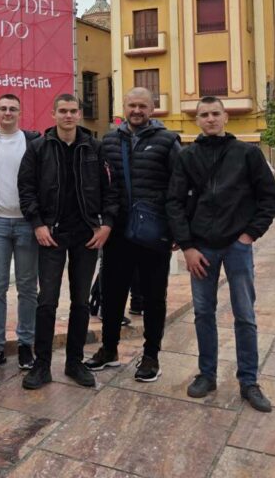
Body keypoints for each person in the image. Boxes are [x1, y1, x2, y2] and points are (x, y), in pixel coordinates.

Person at [166, 96, 275, 413]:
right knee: (204, 313)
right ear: (197, 120)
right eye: (204, 114)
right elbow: (174, 202)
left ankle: (249, 381)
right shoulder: (187, 157)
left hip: (236, 247)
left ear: (225, 117)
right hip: (201, 248)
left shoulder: (247, 153)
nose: (210, 119)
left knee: (244, 314)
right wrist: (187, 246)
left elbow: (270, 198)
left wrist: (249, 235)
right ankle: (207, 375)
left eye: (215, 113)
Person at [19, 93, 117, 390]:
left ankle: (75, 362)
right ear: (53, 114)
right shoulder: (38, 148)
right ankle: (42, 365)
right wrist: (37, 224)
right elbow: (26, 189)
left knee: (81, 302)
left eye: (73, 111)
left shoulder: (95, 148)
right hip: (51, 234)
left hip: (86, 234)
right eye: (63, 111)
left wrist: (106, 225)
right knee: (47, 301)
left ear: (79, 114)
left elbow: (111, 190)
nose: (68, 115)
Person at [85, 88, 181, 383]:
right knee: (112, 294)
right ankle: (109, 349)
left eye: (142, 106)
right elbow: (103, 185)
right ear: (123, 107)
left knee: (154, 297)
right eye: (132, 105)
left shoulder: (168, 141)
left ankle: (151, 356)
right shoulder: (109, 140)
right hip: (118, 232)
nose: (136, 110)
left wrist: (177, 229)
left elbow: (179, 186)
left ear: (152, 109)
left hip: (154, 232)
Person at [0, 94, 40, 372]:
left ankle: (26, 344)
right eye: (3, 108)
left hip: (27, 223)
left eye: (13, 108)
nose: (8, 112)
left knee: (27, 287)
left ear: (20, 113)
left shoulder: (34, 142)